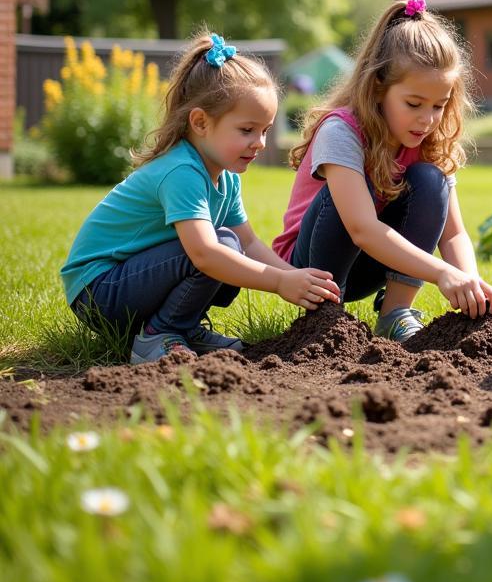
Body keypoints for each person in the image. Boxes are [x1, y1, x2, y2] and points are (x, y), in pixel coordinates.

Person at [62, 33, 339, 364]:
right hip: (99, 291)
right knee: (219, 247)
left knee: (230, 246)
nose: (260, 142)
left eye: (264, 131)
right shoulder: (182, 171)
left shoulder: (225, 176)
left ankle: (182, 328)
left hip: (129, 283)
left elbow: (248, 242)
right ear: (200, 122)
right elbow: (205, 254)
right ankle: (160, 334)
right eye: (247, 130)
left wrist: (295, 278)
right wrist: (279, 282)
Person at [274, 0, 492, 343]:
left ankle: (395, 314)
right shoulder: (342, 131)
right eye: (413, 104)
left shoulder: (429, 140)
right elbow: (362, 228)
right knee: (359, 188)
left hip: (372, 260)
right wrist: (442, 274)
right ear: (378, 88)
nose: (427, 119)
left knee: (432, 180)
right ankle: (324, 320)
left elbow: (453, 234)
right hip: (312, 265)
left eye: (439, 106)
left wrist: (470, 283)